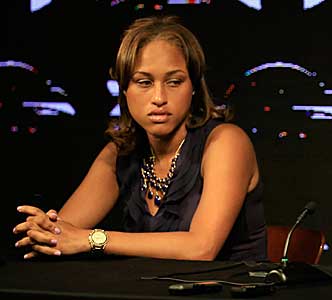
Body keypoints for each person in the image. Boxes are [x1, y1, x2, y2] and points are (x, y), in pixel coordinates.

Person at [12, 15, 267, 261]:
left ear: (193, 88)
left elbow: (201, 249)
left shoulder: (225, 143)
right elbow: (64, 233)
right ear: (124, 89)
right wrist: (44, 231)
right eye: (144, 82)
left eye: (175, 81)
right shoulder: (120, 152)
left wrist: (93, 239)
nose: (159, 97)